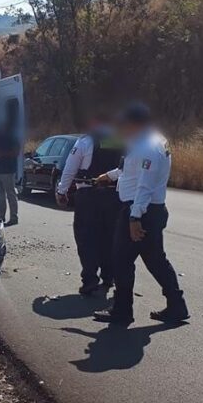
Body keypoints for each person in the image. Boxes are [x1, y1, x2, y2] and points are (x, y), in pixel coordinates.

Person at [92, 103, 190, 325]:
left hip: (141, 211)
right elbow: (130, 171)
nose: (121, 128)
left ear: (135, 124)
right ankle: (177, 305)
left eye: (124, 124)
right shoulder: (145, 141)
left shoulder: (148, 147)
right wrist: (108, 176)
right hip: (148, 210)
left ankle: (122, 311)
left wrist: (134, 218)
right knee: (156, 260)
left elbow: (145, 186)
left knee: (121, 260)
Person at [55, 113, 123, 295]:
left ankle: (90, 280)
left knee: (87, 239)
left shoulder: (85, 142)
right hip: (113, 196)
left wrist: (62, 191)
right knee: (109, 238)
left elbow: (70, 168)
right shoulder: (119, 141)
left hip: (88, 196)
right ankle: (109, 277)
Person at [0, 128, 20, 226]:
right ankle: (0, 217)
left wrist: (1, 154)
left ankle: (14, 217)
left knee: (10, 194)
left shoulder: (12, 138)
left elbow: (16, 153)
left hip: (7, 170)